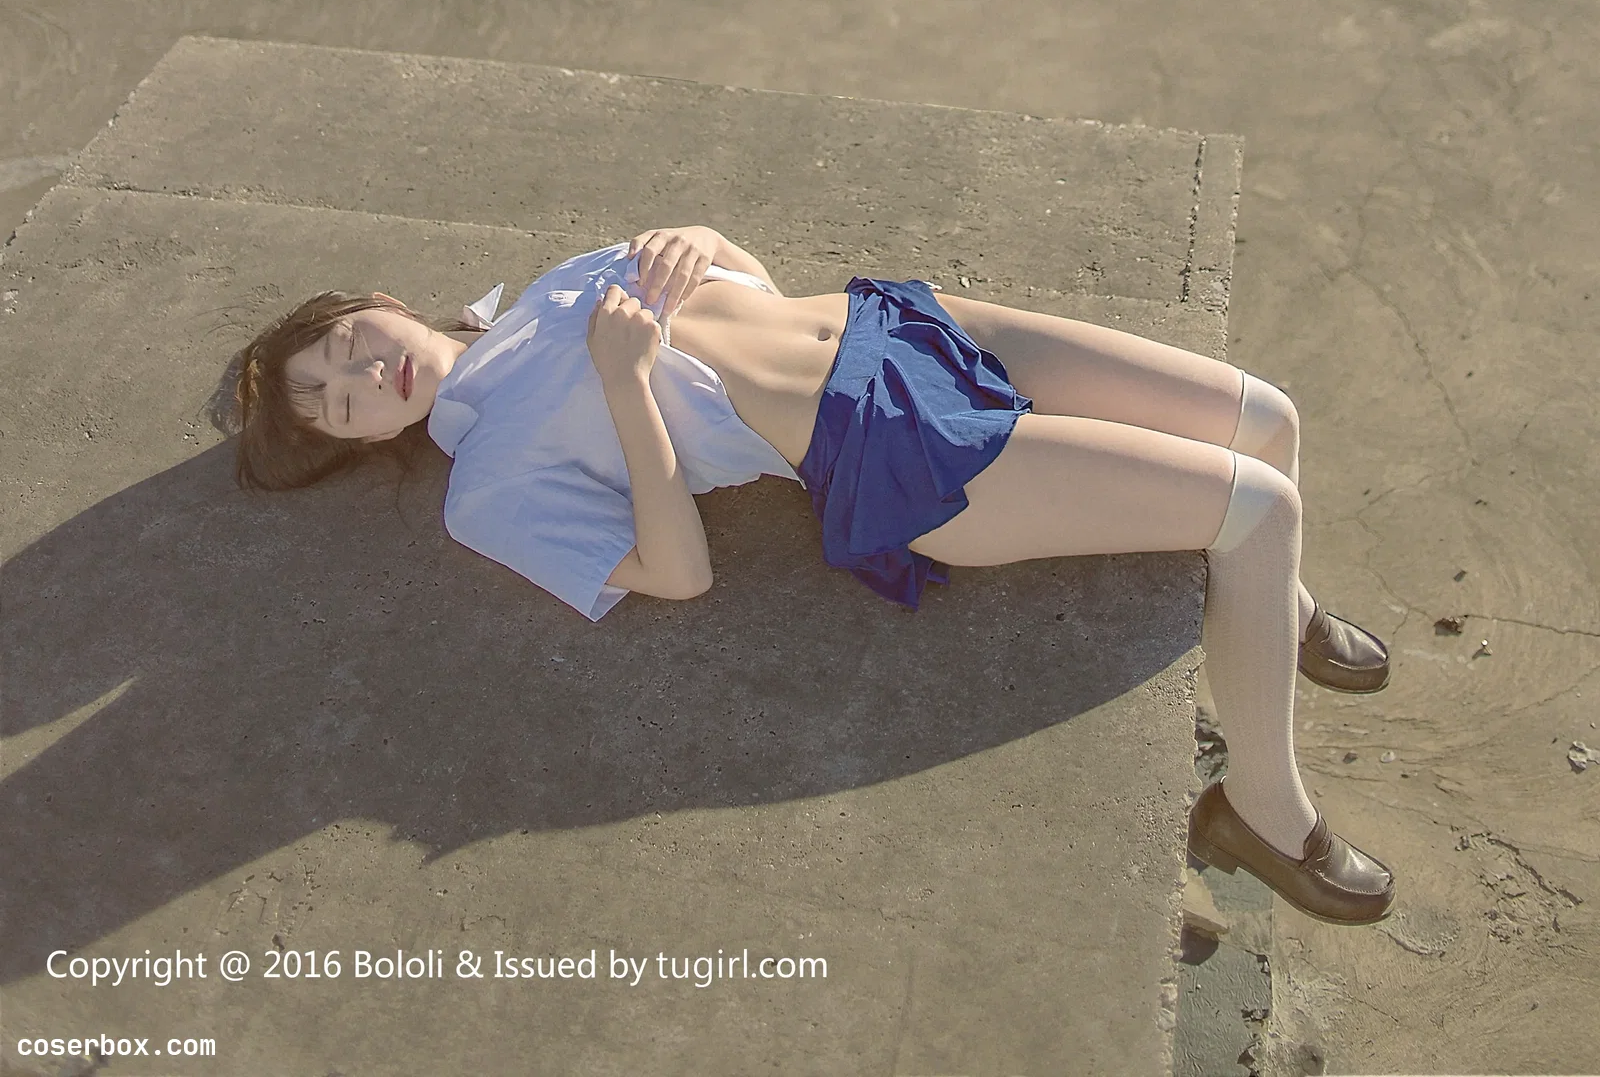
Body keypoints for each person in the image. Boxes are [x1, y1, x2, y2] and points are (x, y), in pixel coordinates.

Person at [231, 222, 1396, 925]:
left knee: (1268, 418)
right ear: (364, 446)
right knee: (1259, 510)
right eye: (334, 406)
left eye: (341, 347)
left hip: (905, 325)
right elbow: (675, 571)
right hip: (889, 446)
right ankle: (1259, 811)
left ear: (377, 308)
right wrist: (629, 384)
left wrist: (701, 238)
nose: (359, 378)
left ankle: (1272, 612)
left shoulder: (551, 287)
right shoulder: (483, 487)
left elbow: (747, 282)